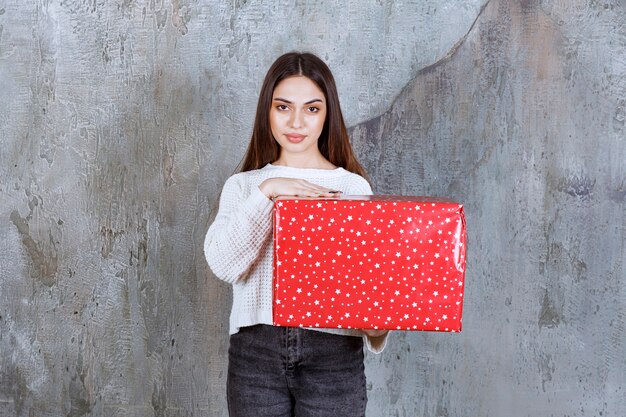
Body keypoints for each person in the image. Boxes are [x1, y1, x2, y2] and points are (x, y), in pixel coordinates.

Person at [204, 51, 389, 417]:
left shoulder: (352, 187)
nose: (297, 122)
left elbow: (367, 285)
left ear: (327, 114)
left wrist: (376, 324)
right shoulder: (245, 186)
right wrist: (269, 191)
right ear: (267, 112)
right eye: (284, 107)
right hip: (256, 351)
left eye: (312, 109)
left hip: (334, 352)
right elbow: (225, 264)